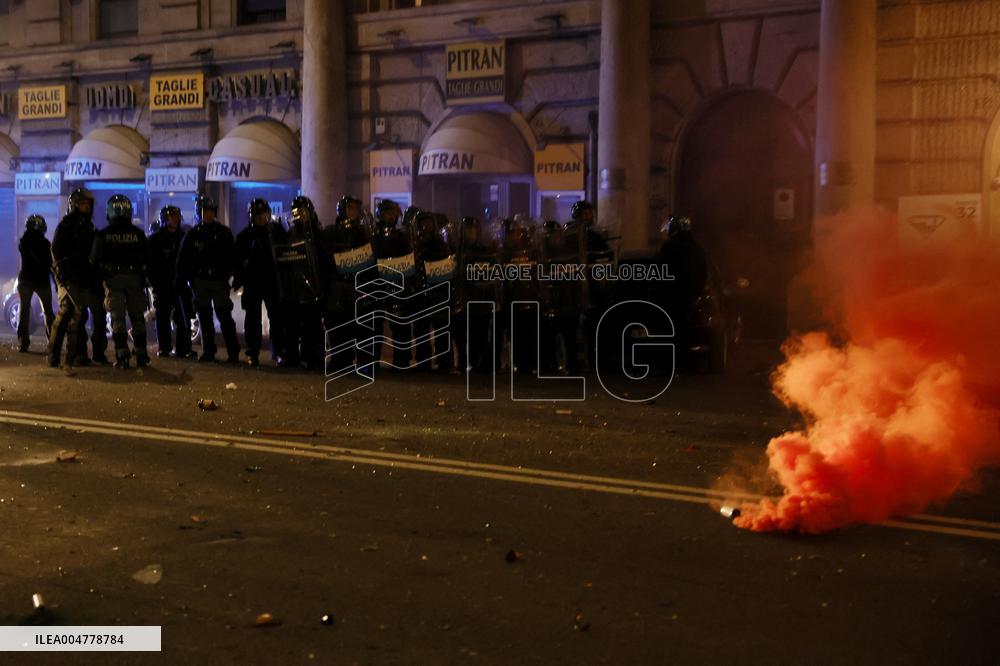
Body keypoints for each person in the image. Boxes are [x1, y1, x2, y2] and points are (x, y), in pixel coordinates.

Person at [177, 194, 240, 363]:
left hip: (219, 281)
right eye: (206, 212)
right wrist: (190, 278)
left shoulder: (223, 233)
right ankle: (209, 351)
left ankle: (233, 352)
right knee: (204, 318)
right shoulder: (193, 234)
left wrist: (229, 275)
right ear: (200, 213)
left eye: (211, 211)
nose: (209, 215)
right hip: (201, 281)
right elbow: (183, 259)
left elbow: (233, 256)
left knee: (224, 316)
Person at [90, 195, 150, 369]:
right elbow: (148, 257)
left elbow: (93, 261)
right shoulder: (138, 234)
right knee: (137, 317)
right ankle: (141, 354)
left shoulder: (104, 234)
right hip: (135, 280)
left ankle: (122, 356)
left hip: (113, 279)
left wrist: (100, 276)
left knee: (117, 319)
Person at [321, 194, 376, 372]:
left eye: (353, 208)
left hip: (357, 284)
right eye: (347, 207)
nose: (350, 211)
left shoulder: (363, 232)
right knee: (337, 325)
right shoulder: (331, 232)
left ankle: (363, 362)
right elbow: (325, 257)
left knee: (360, 325)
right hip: (338, 285)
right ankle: (340, 360)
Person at [48, 188, 100, 368]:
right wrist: (60, 269)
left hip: (82, 276)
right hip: (68, 276)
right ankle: (54, 356)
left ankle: (78, 355)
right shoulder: (66, 225)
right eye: (82, 204)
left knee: (81, 315)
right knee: (66, 313)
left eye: (88, 204)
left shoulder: (90, 227)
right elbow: (55, 249)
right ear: (74, 205)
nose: (86, 207)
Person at [234, 199, 285, 367]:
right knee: (252, 320)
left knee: (277, 318)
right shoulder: (245, 236)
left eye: (265, 214)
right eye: (258, 215)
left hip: (272, 281)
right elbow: (238, 261)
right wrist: (240, 275)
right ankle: (253, 353)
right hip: (253, 282)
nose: (263, 218)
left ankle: (277, 351)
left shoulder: (276, 231)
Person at [280, 195, 329, 369]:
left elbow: (323, 259)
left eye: (303, 211)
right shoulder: (291, 234)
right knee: (291, 325)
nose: (300, 215)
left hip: (313, 287)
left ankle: (313, 357)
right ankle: (292, 357)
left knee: (313, 325)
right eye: (297, 212)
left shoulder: (317, 233)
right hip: (295, 285)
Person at [372, 199, 416, 369]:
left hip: (398, 285)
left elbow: (408, 258)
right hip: (379, 285)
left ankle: (402, 360)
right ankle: (373, 360)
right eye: (387, 213)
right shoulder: (374, 236)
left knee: (400, 325)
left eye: (393, 213)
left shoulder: (401, 237)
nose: (390, 217)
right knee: (376, 325)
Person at [454, 216, 501, 373]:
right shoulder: (457, 250)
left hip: (480, 300)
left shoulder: (484, 251)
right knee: (462, 335)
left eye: (474, 230)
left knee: (479, 334)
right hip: (463, 299)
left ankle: (477, 362)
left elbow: (493, 273)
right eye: (468, 230)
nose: (471, 233)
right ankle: (464, 362)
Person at [148, 205, 195, 358]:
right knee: (162, 317)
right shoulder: (155, 240)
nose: (175, 220)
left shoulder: (184, 237)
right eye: (171, 217)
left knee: (183, 317)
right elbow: (150, 263)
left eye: (176, 216)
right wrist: (154, 282)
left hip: (180, 284)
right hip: (162, 284)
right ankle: (164, 347)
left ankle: (183, 347)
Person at [412, 211, 456, 372]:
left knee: (442, 328)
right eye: (424, 223)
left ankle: (444, 361)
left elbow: (446, 262)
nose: (426, 226)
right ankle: (423, 361)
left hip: (438, 290)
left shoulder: (440, 243)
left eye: (429, 223)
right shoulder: (415, 243)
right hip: (421, 292)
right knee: (422, 329)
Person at [541, 220, 582, 375]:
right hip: (551, 301)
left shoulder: (569, 252)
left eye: (557, 235)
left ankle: (571, 365)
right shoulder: (543, 254)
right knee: (549, 337)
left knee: (569, 336)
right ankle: (550, 364)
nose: (555, 238)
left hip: (567, 300)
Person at [16, 215, 55, 353]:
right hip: (41, 280)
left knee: (24, 311)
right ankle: (53, 342)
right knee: (48, 312)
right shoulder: (46, 244)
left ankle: (23, 343)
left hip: (25, 279)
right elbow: (50, 264)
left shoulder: (23, 242)